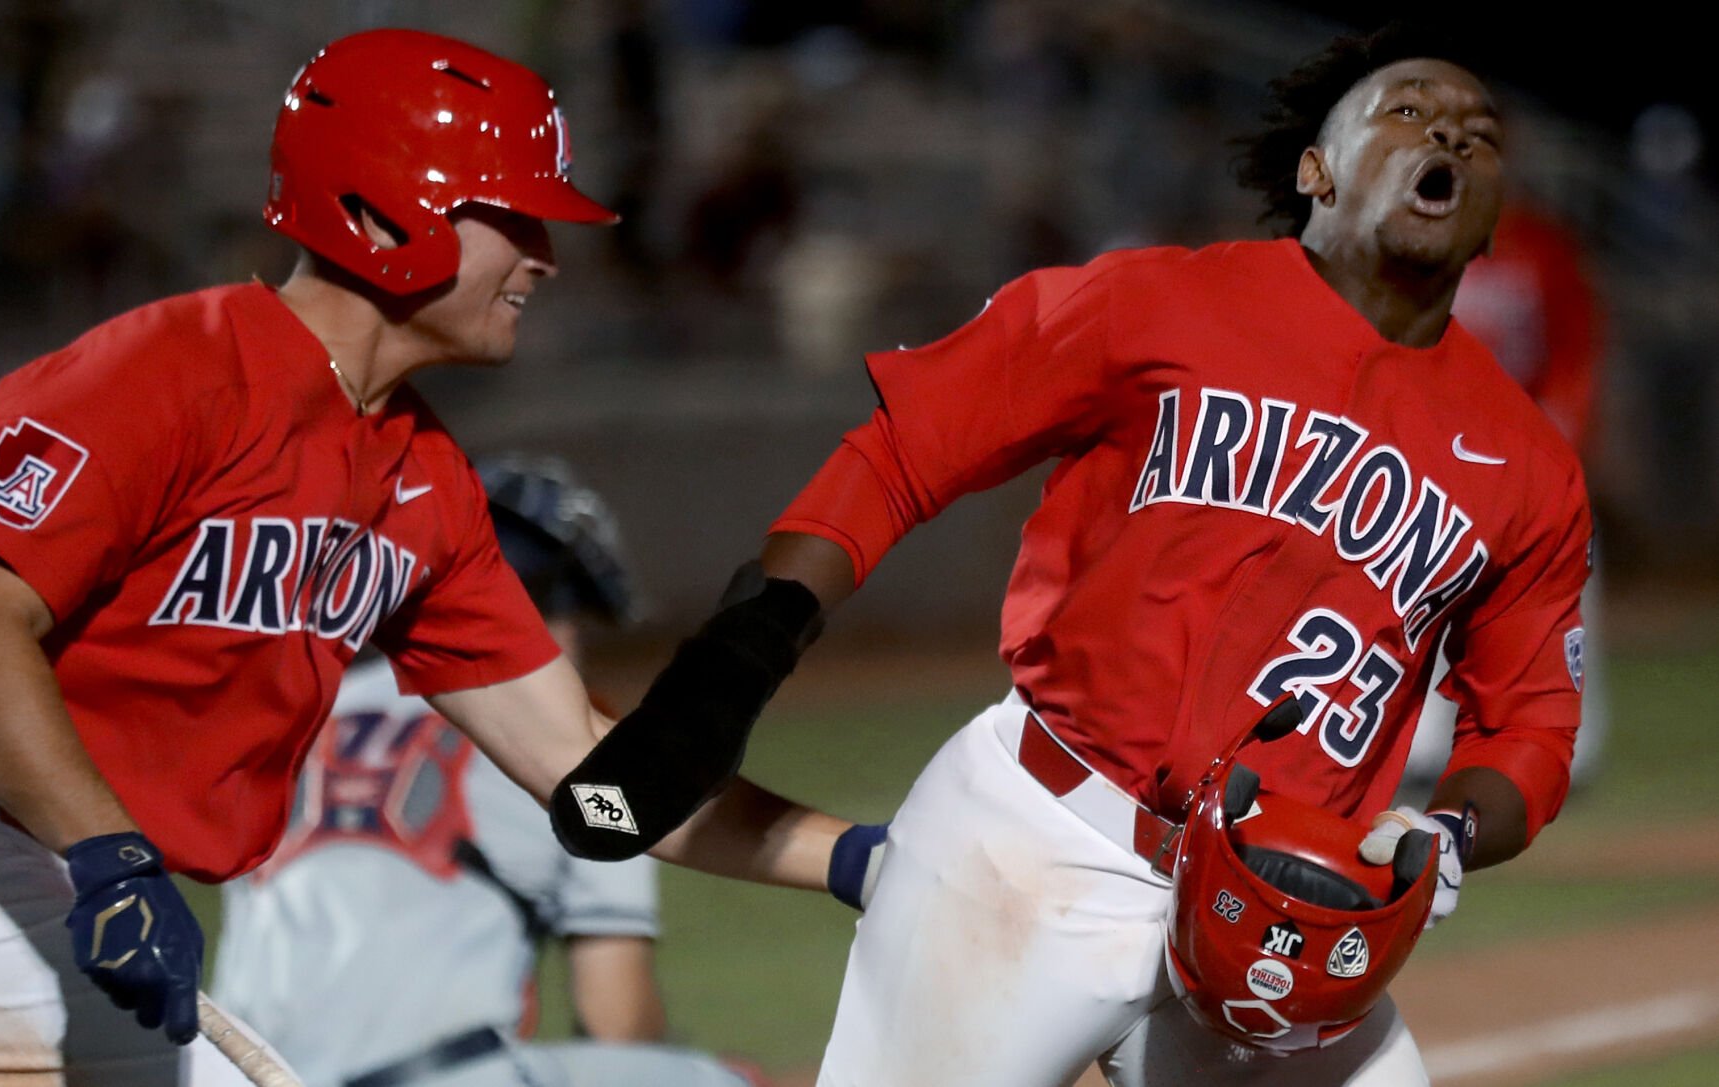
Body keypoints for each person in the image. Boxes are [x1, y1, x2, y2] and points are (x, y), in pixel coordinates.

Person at [0, 30, 875, 1087]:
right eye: (510, 219)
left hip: (64, 893)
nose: (542, 259)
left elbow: (591, 766)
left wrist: (849, 858)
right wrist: (109, 855)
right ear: (377, 215)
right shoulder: (165, 371)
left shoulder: (422, 477)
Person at [553, 23, 1591, 1087]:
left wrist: (1456, 827)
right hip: (1031, 846)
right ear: (1314, 170)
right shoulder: (1156, 301)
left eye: (1478, 132)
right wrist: (748, 642)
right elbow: (906, 451)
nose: (1451, 140)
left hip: (1282, 904)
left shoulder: (1525, 465)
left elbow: (1530, 722)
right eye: (1411, 112)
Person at [208, 454, 766, 1087]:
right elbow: (616, 1016)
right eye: (571, 617)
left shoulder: (305, 714)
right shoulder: (577, 748)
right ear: (530, 616)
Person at [1404, 197, 1609, 797]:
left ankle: (1577, 741)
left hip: (1533, 444)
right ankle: (1424, 745)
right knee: (1427, 583)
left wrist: (1564, 439)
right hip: (1443, 449)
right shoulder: (1425, 242)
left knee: (1569, 590)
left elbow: (1575, 348)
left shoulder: (1543, 246)